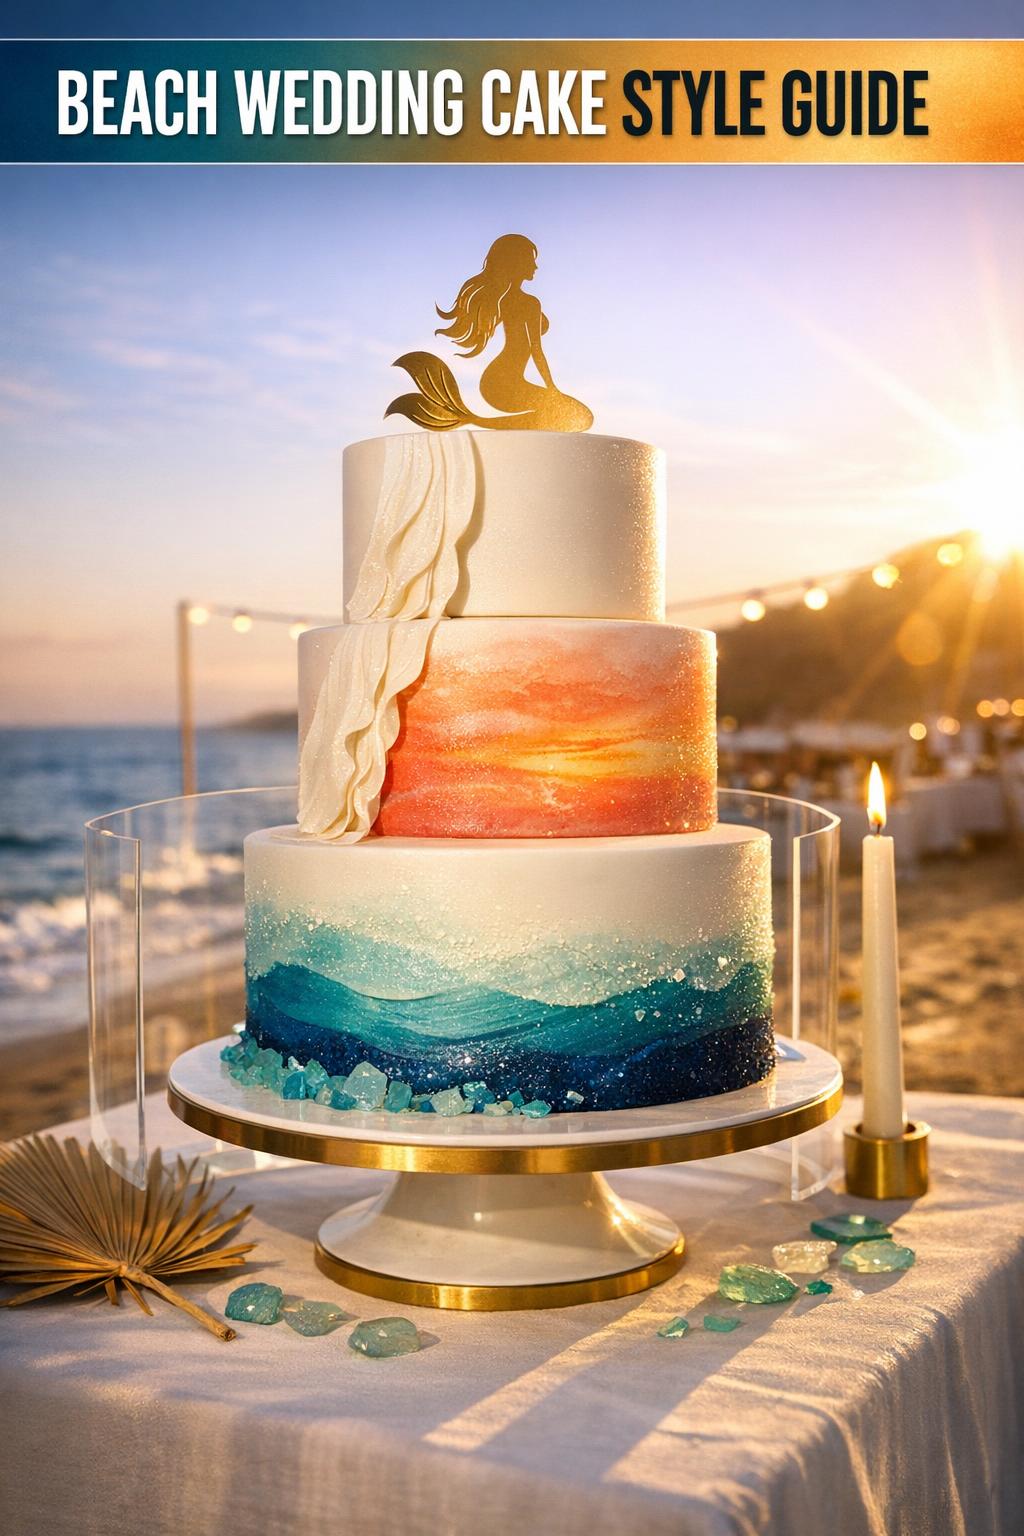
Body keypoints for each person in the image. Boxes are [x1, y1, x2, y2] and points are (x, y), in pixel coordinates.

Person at [386, 233, 593, 432]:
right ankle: (477, 420)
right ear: (517, 263)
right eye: (531, 261)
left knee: (574, 416)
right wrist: (552, 387)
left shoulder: (510, 300)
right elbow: (536, 350)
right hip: (506, 383)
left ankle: (475, 420)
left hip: (496, 382)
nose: (536, 266)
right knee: (578, 416)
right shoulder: (528, 303)